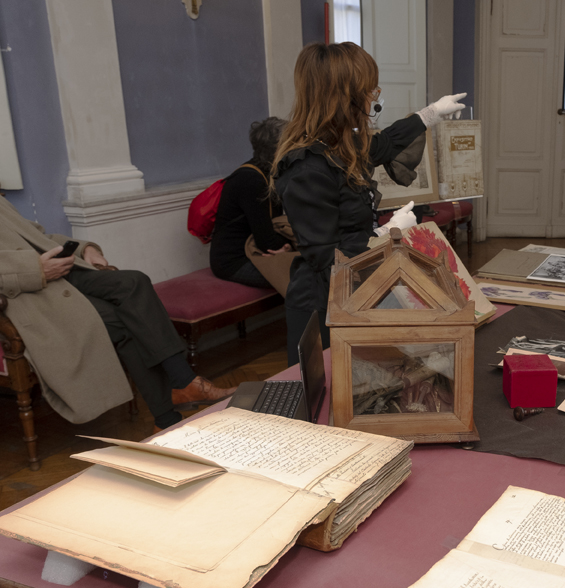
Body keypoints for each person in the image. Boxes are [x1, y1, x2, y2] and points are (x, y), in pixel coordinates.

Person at [273, 42, 466, 364]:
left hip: (359, 288)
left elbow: (386, 143)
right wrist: (389, 233)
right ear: (343, 96)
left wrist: (431, 113)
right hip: (323, 302)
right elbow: (325, 256)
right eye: (369, 91)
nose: (372, 98)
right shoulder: (306, 167)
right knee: (327, 399)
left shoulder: (340, 145)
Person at [0, 196, 233, 429]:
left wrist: (84, 248)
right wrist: (35, 271)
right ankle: (170, 414)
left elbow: (36, 238)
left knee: (134, 282)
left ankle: (184, 383)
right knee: (125, 321)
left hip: (59, 274)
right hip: (26, 293)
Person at [209, 117, 294, 290]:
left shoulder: (266, 173)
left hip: (255, 252)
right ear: (278, 149)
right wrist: (289, 245)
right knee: (307, 277)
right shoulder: (251, 180)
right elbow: (267, 243)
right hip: (234, 262)